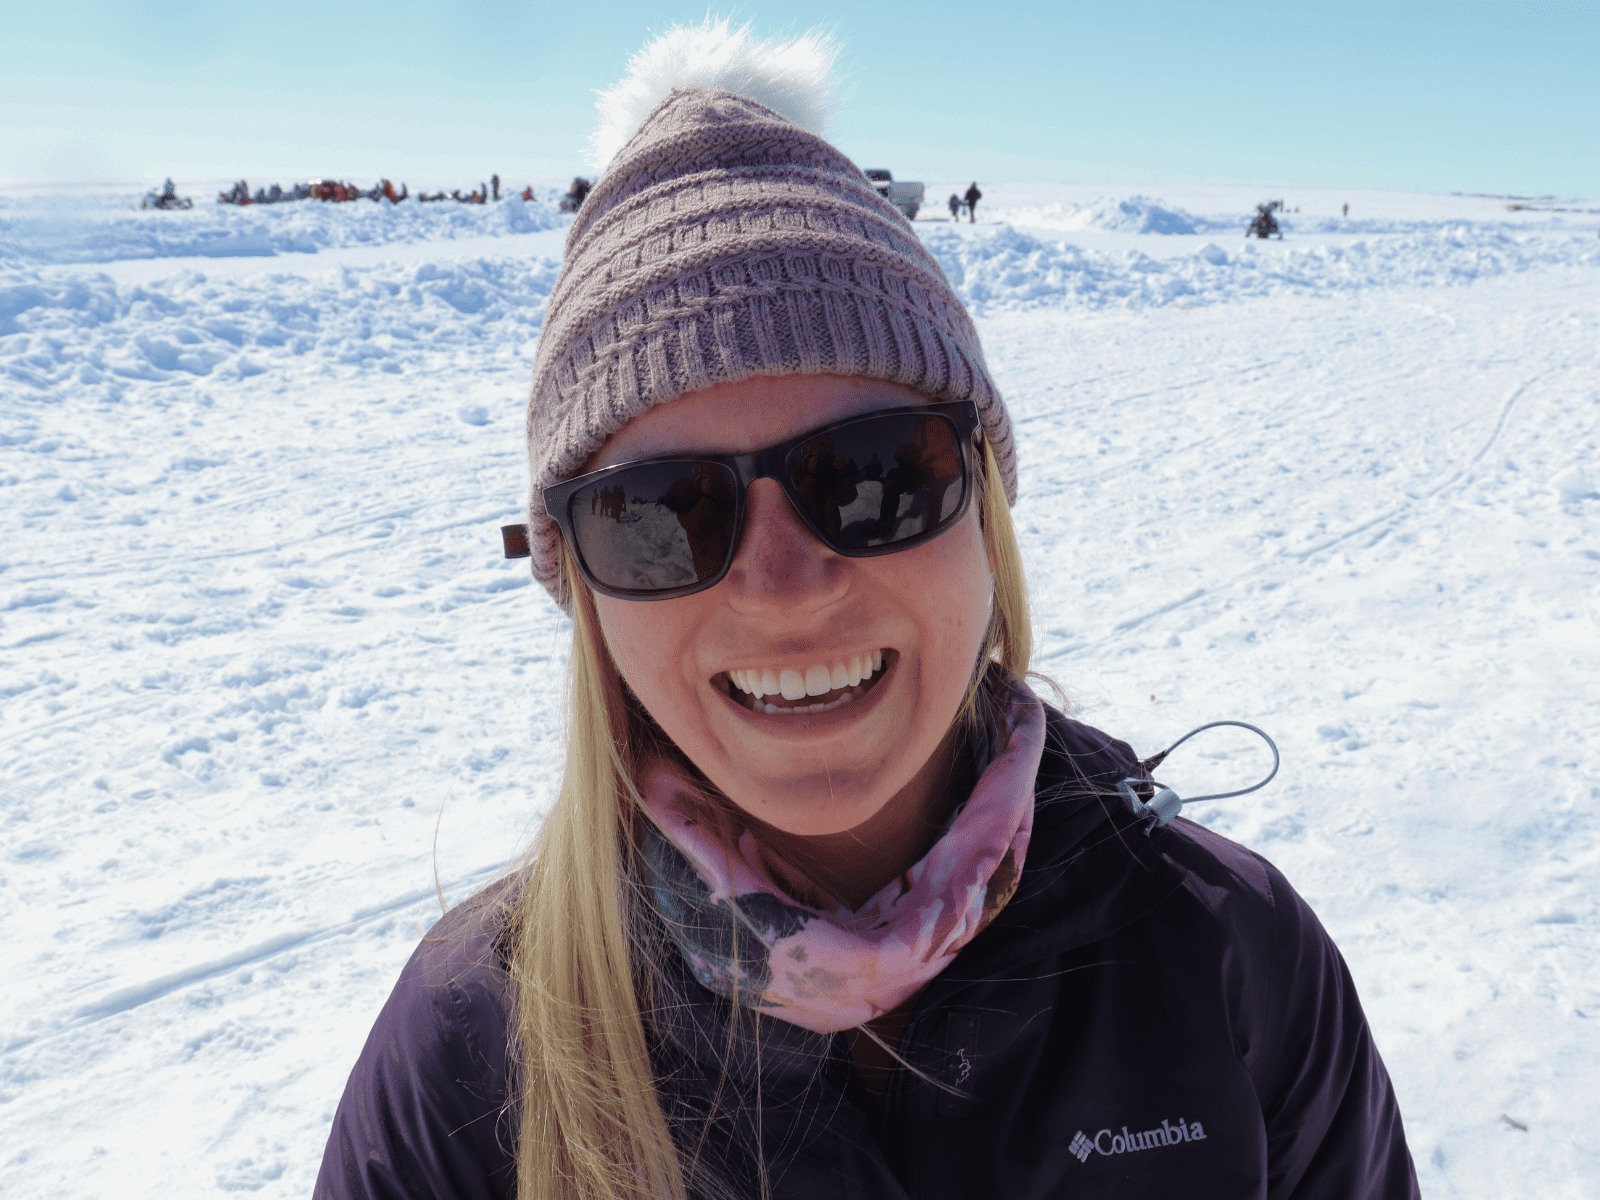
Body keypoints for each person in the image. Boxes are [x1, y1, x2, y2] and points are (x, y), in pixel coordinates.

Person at [315, 40, 1419, 1200]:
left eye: (876, 476)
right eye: (661, 514)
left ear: (985, 517)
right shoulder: (474, 1051)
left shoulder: (1228, 956)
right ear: (582, 587)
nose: (784, 587)